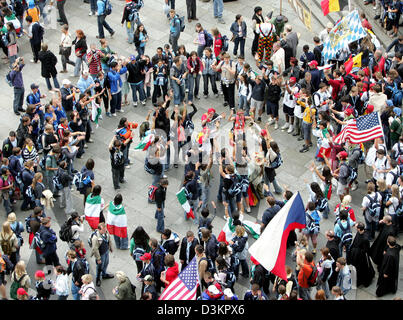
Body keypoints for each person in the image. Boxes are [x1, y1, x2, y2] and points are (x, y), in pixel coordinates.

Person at [349, 222, 375, 288]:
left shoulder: (365, 239)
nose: (355, 227)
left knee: (361, 269)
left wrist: (357, 252)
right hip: (355, 254)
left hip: (360, 257)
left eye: (356, 227)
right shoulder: (359, 233)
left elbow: (366, 249)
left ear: (359, 229)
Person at [90, 222, 114, 287]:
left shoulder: (106, 232)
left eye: (105, 229)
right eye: (103, 230)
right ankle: (97, 279)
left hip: (106, 251)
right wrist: (98, 258)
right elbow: (95, 249)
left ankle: (104, 274)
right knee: (99, 267)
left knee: (106, 263)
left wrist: (110, 247)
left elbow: (109, 239)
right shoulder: (95, 237)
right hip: (100, 254)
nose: (105, 230)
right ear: (99, 229)